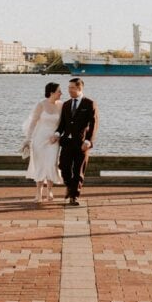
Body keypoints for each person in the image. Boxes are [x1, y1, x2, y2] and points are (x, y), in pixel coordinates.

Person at [56, 77, 98, 206]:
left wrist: (88, 141)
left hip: (82, 144)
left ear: (79, 88)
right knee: (63, 167)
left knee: (79, 171)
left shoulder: (89, 103)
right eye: (69, 88)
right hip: (67, 143)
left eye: (72, 88)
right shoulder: (67, 104)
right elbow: (62, 123)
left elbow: (94, 124)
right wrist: (57, 133)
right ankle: (69, 186)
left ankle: (74, 196)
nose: (69, 90)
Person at [23, 82, 63, 203]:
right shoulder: (41, 105)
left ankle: (49, 190)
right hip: (39, 139)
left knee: (51, 164)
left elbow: (63, 124)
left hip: (53, 140)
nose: (61, 93)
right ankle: (38, 192)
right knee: (40, 165)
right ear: (51, 92)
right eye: (59, 91)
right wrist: (28, 139)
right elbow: (33, 123)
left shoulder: (62, 105)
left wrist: (58, 135)